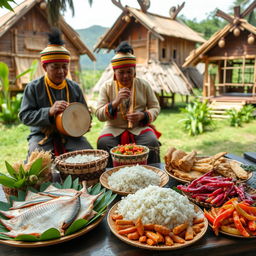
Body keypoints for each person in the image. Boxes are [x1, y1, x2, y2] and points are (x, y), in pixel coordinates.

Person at [19, 28, 92, 157]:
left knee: (88, 155)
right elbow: (25, 116)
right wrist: (49, 111)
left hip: (71, 135)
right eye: (55, 67)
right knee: (37, 159)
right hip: (42, 134)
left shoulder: (74, 87)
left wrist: (84, 120)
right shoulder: (33, 87)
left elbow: (85, 114)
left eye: (64, 67)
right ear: (44, 67)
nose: (61, 71)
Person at [95, 41, 161, 167]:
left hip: (139, 127)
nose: (125, 76)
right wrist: (115, 102)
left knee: (152, 141)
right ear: (115, 73)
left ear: (134, 71)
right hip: (113, 128)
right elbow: (99, 114)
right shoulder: (106, 87)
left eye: (129, 72)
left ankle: (154, 174)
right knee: (104, 142)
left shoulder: (143, 85)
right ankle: (108, 177)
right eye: (121, 72)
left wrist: (142, 116)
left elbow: (155, 107)